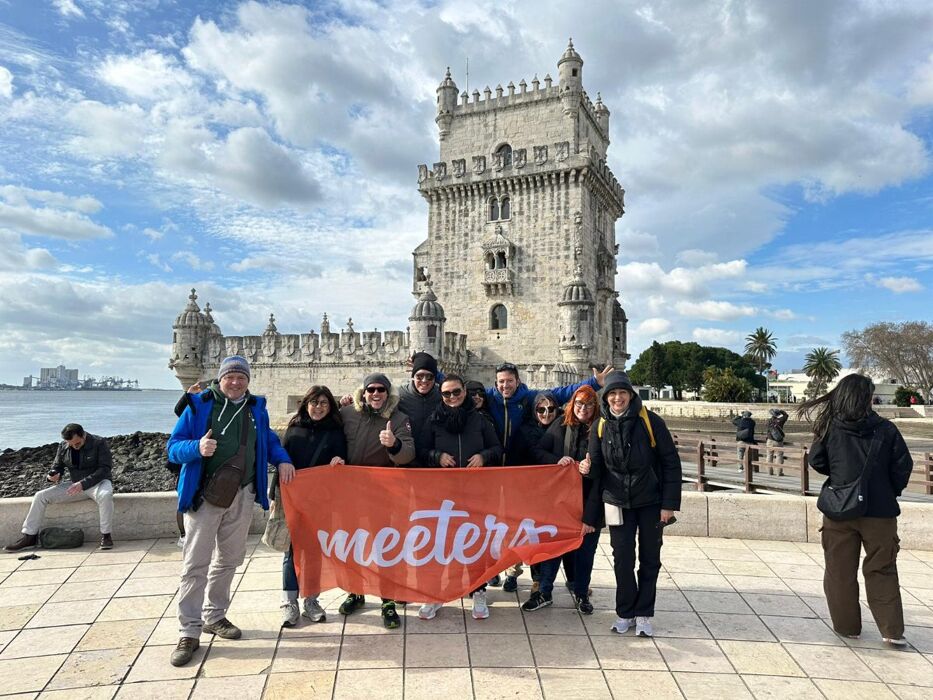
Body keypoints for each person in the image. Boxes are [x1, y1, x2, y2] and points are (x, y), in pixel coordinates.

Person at [167, 355, 295, 667]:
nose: (236, 382)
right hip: (205, 496)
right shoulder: (199, 405)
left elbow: (268, 441)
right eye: (230, 377)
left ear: (248, 380)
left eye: (241, 377)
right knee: (195, 564)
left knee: (229, 560)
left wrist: (282, 459)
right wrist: (196, 448)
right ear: (220, 378)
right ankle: (189, 631)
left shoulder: (256, 409)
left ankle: (215, 616)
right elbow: (173, 447)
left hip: (242, 493)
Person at [798, 374, 913, 646]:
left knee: (839, 571)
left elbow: (816, 460)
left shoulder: (830, 427)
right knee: (882, 569)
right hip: (881, 513)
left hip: (839, 510)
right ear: (867, 398)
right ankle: (891, 631)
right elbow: (903, 467)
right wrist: (887, 490)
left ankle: (847, 627)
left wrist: (841, 478)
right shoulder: (886, 429)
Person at [583, 371, 682, 638]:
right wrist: (586, 468)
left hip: (650, 501)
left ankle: (644, 614)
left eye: (622, 393)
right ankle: (625, 613)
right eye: (612, 394)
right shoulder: (600, 426)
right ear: (607, 397)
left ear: (630, 394)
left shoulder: (651, 422)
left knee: (650, 559)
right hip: (616, 502)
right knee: (622, 559)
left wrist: (668, 504)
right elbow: (597, 469)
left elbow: (670, 463)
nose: (617, 398)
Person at [417, 374, 502, 621]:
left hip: (476, 494)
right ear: (441, 395)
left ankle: (478, 591)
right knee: (441, 545)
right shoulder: (434, 420)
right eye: (447, 394)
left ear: (464, 391)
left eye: (456, 392)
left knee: (475, 545)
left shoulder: (480, 420)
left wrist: (484, 457)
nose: (452, 397)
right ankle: (435, 594)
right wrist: (437, 456)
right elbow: (421, 451)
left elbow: (498, 449)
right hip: (443, 496)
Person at [334, 372, 415, 629]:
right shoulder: (347, 414)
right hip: (350, 494)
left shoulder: (399, 419)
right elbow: (325, 428)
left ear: (388, 393)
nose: (376, 394)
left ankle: (388, 601)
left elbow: (408, 455)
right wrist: (337, 403)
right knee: (352, 546)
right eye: (371, 390)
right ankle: (355, 592)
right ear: (364, 392)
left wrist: (393, 445)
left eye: (381, 390)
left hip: (383, 495)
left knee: (385, 549)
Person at [273, 385, 347, 628]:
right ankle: (289, 602)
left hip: (320, 502)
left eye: (324, 403)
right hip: (294, 499)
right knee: (291, 552)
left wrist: (340, 461)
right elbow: (282, 462)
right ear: (305, 404)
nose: (318, 408)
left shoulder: (336, 433)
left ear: (330, 406)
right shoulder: (294, 431)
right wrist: (275, 497)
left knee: (315, 552)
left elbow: (343, 460)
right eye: (314, 403)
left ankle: (311, 601)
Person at [524, 385, 600, 614]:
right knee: (554, 548)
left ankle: (581, 594)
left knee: (586, 551)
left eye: (588, 404)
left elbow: (609, 469)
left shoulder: (602, 429)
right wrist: (558, 460)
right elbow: (537, 451)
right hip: (561, 503)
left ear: (595, 406)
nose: (583, 409)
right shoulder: (561, 424)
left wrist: (591, 468)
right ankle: (545, 592)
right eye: (579, 403)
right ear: (572, 405)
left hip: (590, 500)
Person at [4, 423, 114, 552]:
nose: (74, 447)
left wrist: (83, 483)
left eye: (77, 443)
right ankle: (30, 537)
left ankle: (106, 536)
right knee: (40, 496)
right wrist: (53, 475)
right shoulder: (63, 446)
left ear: (83, 435)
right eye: (70, 444)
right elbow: (57, 466)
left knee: (106, 495)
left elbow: (105, 469)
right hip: (75, 485)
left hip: (98, 483)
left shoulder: (99, 443)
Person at [483, 362, 613, 465]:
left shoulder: (529, 397)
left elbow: (562, 393)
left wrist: (594, 383)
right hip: (493, 464)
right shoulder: (488, 398)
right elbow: (468, 397)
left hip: (518, 464)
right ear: (496, 383)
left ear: (518, 382)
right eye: (501, 381)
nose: (505, 385)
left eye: (510, 380)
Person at [501, 391, 560, 593]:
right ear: (533, 410)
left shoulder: (561, 428)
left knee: (540, 538)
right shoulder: (523, 431)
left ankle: (538, 579)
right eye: (541, 409)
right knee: (520, 535)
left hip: (551, 496)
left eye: (551, 409)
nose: (546, 413)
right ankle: (512, 572)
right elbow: (523, 456)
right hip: (525, 494)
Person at [166, 383, 202, 547]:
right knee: (184, 498)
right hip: (183, 462)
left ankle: (187, 534)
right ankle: (183, 534)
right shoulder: (193, 410)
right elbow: (179, 410)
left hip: (196, 461)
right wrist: (188, 395)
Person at [399, 352, 443, 456]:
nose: (424, 381)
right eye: (419, 376)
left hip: (434, 456)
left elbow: (462, 395)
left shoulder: (442, 395)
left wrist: (441, 377)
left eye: (429, 377)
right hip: (406, 457)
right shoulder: (399, 395)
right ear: (413, 376)